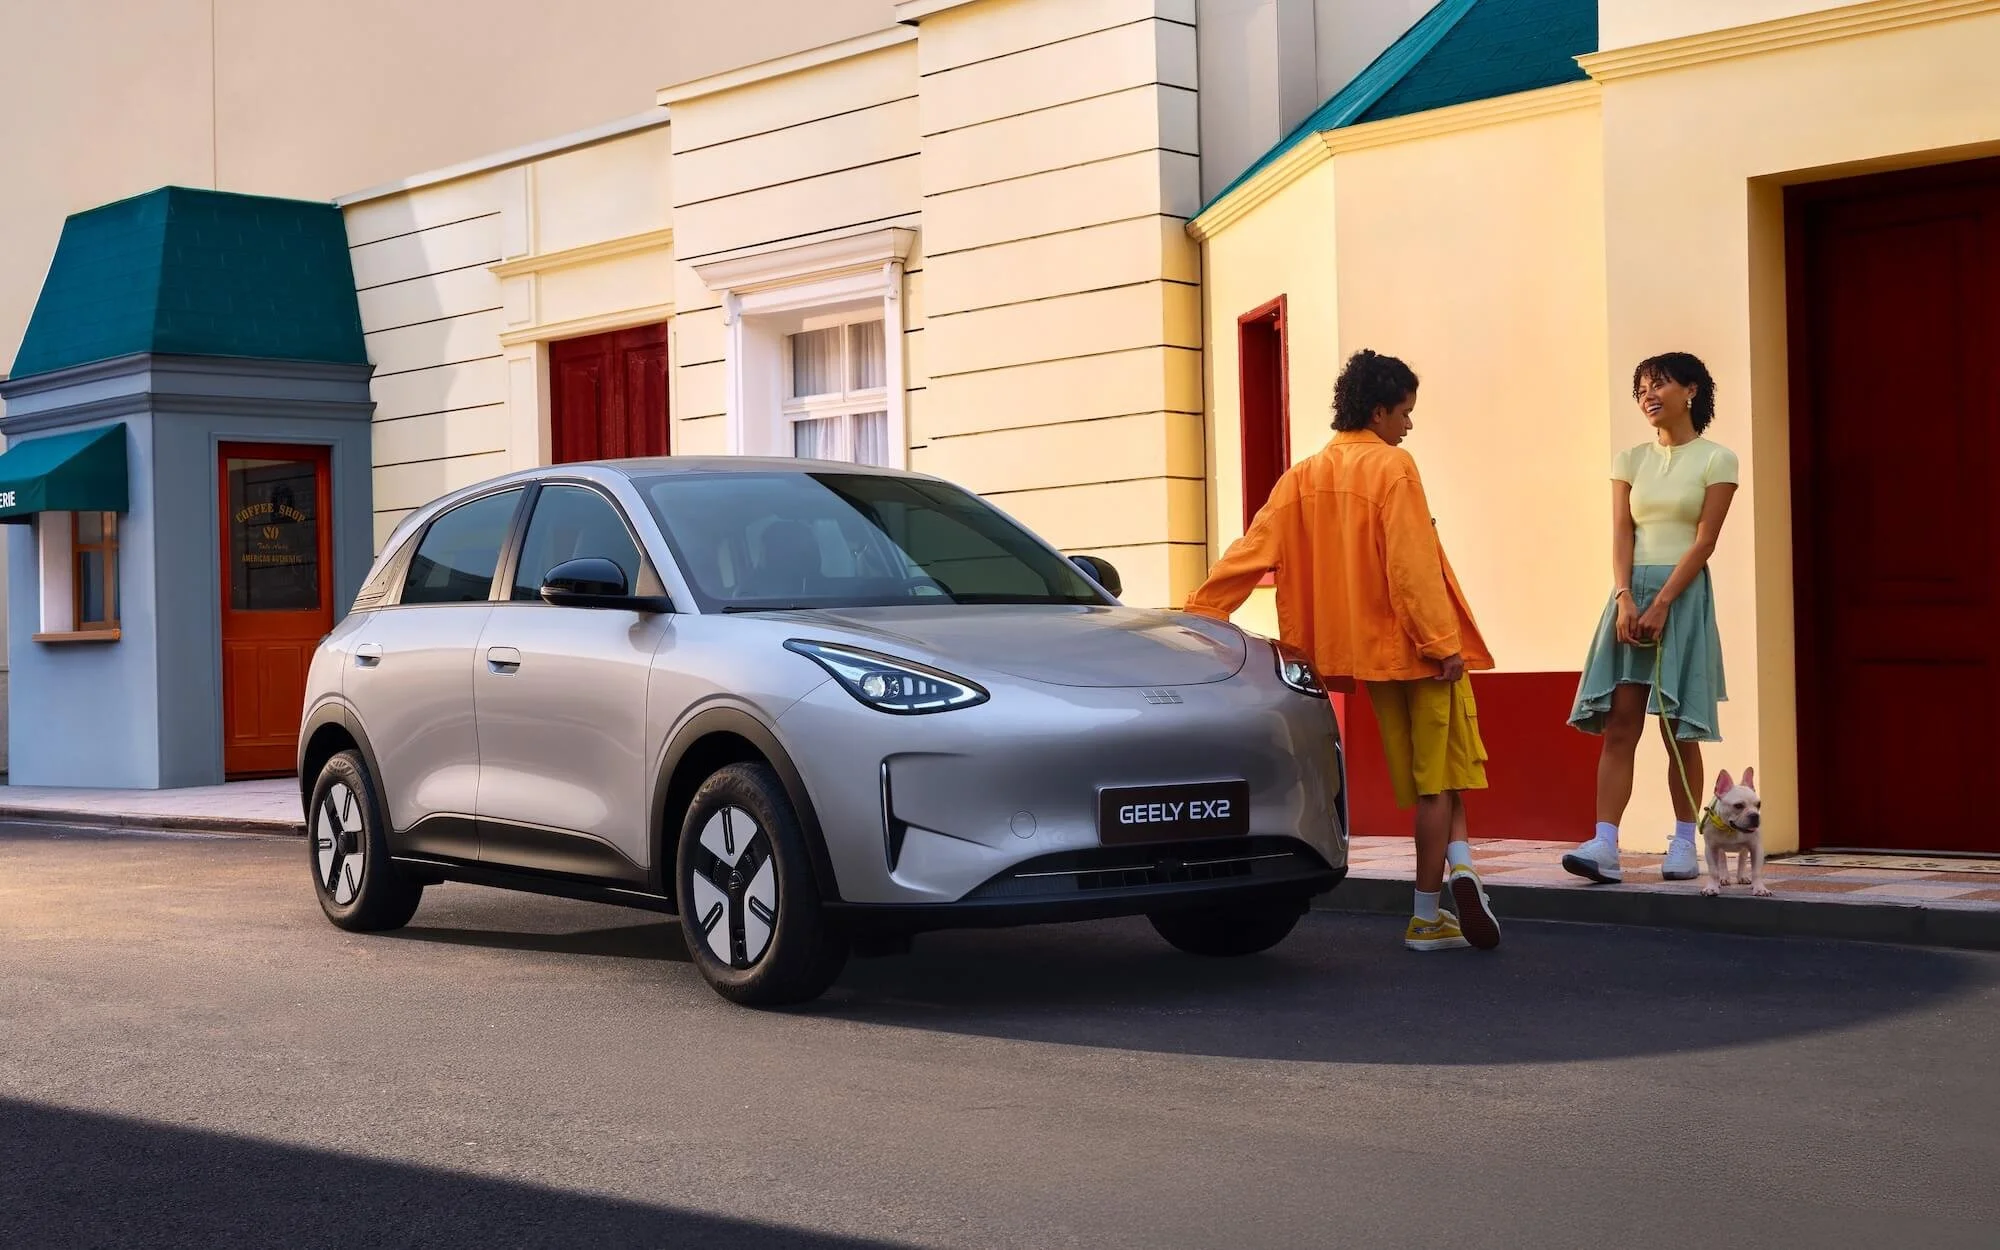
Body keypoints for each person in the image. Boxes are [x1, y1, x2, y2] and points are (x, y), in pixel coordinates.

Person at [1184, 350, 1500, 952]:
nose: (1408, 425)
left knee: (1432, 773)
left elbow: (1248, 554)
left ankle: (1464, 871)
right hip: (1418, 651)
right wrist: (1441, 643)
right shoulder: (1394, 467)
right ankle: (1429, 913)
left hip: (1363, 658)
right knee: (1439, 780)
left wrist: (1198, 614)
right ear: (1379, 410)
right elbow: (1409, 566)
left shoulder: (1300, 477)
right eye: (1404, 412)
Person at [1564, 352, 1738, 884]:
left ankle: (1685, 841)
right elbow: (1623, 532)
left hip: (1680, 595)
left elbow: (1705, 540)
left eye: (1659, 384)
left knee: (1678, 729)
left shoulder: (1718, 459)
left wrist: (1663, 601)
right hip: (1629, 594)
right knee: (1620, 725)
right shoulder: (1629, 459)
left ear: (1691, 391)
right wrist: (1624, 596)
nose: (1648, 395)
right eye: (1641, 387)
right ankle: (1605, 844)